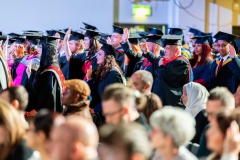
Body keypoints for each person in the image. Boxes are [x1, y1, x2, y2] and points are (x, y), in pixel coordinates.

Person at [140, 35, 191, 108]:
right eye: (164, 48)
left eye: (167, 48)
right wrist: (146, 51)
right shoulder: (166, 60)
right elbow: (154, 59)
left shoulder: (181, 63)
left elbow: (164, 76)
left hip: (172, 104)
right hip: (162, 101)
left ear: (176, 50)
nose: (164, 51)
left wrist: (161, 66)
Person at [27, 36, 66, 117]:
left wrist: (37, 110)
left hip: (46, 115)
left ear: (47, 50)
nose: (38, 50)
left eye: (41, 47)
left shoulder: (50, 72)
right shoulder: (53, 67)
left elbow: (48, 97)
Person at [197, 87, 236, 158]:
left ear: (229, 111)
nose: (209, 118)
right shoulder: (209, 129)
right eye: (207, 113)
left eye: (213, 114)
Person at [87, 43, 124, 113]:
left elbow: (112, 97)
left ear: (107, 57)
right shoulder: (103, 72)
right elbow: (96, 96)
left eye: (100, 54)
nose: (97, 57)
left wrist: (94, 110)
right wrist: (89, 79)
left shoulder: (113, 74)